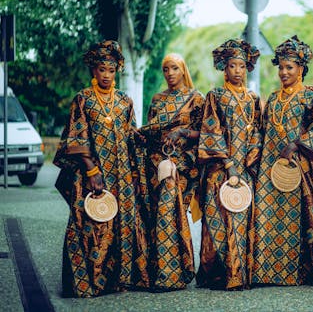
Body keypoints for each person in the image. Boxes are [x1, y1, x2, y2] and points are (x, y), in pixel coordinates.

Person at [53, 40, 149, 297]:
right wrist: (91, 171)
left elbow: (130, 133)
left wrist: (148, 137)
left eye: (111, 69)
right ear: (93, 71)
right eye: (101, 69)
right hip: (94, 175)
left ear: (117, 70)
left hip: (122, 175)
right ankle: (88, 283)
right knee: (93, 224)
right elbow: (76, 137)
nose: (106, 75)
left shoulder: (124, 101)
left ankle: (117, 281)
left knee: (120, 223)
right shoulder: (83, 99)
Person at [251, 35, 313, 286]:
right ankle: (266, 273)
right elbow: (261, 132)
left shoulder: (311, 98)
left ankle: (295, 273)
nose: (283, 72)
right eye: (281, 67)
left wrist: (296, 144)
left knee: (297, 220)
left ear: (301, 69)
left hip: (297, 167)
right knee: (266, 215)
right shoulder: (272, 99)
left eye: (289, 67)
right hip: (268, 168)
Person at [196, 38, 262, 290]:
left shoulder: (253, 99)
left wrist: (249, 161)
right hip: (219, 170)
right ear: (225, 68)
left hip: (244, 170)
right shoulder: (216, 96)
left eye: (242, 66)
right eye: (233, 65)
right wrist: (228, 164)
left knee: (240, 219)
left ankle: (239, 273)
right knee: (218, 219)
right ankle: (217, 275)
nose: (238, 70)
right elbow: (210, 130)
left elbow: (257, 131)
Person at [136, 53, 205, 291]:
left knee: (169, 209)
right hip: (156, 162)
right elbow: (150, 129)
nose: (169, 74)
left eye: (174, 68)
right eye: (166, 69)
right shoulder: (157, 99)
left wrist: (183, 133)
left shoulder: (196, 98)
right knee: (157, 214)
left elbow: (206, 132)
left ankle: (171, 275)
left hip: (183, 164)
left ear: (183, 69)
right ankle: (158, 271)